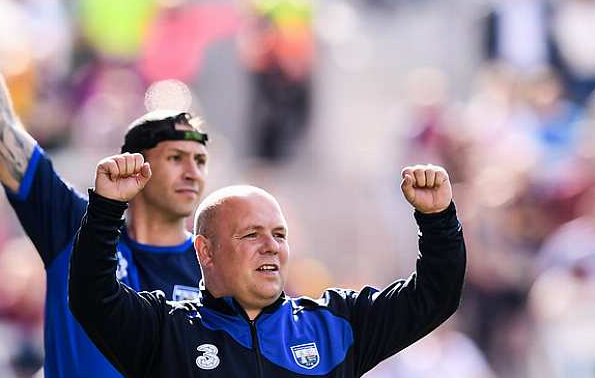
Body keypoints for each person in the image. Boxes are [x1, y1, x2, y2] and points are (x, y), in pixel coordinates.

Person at [0, 0, 210, 377]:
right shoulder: (74, 232)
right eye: (175, 157)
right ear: (135, 165)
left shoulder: (220, 267)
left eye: (200, 160)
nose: (192, 172)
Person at [70, 155, 466, 377]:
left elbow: (435, 296)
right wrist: (106, 210)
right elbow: (92, 297)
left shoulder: (336, 325)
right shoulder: (164, 331)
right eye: (252, 235)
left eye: (279, 235)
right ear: (206, 251)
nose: (271, 247)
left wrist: (438, 220)